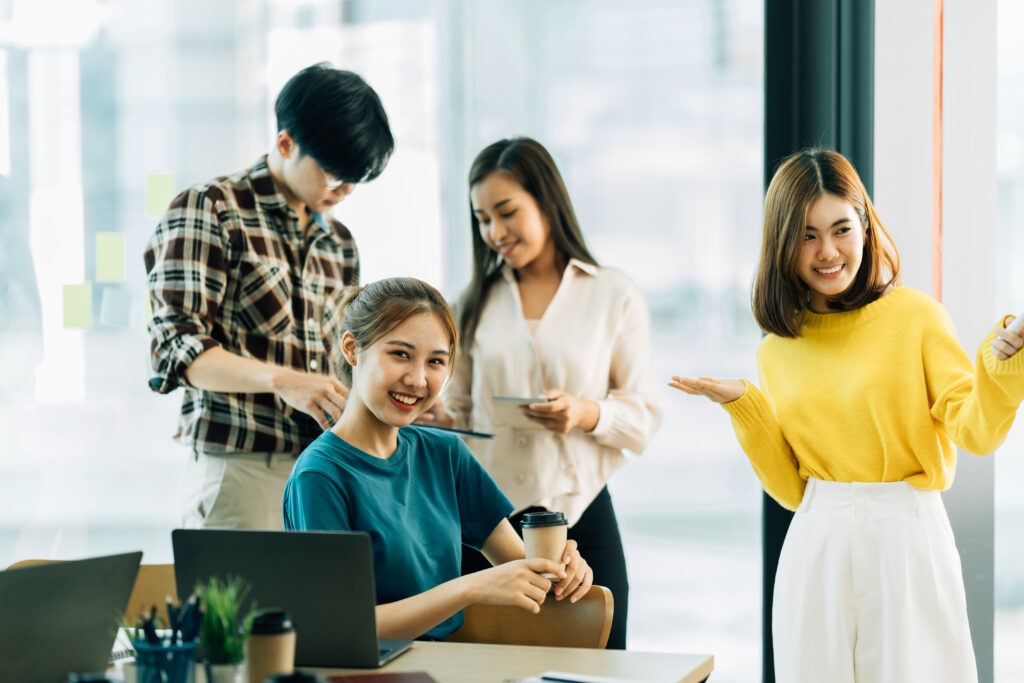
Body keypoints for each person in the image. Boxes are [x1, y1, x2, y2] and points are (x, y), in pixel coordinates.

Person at [670, 148, 1024, 683]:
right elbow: (793, 490)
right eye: (807, 235)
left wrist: (1001, 364)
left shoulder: (915, 317)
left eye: (841, 229)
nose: (828, 251)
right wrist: (743, 403)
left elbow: (974, 431)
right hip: (818, 545)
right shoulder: (778, 348)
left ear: (866, 226)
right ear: (782, 243)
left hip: (907, 538)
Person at [431, 137, 659, 650]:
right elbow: (460, 413)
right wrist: (434, 415)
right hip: (487, 523)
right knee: (485, 664)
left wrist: (585, 413)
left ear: (547, 200)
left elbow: (642, 416)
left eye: (506, 212)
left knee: (601, 660)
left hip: (580, 512)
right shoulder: (469, 303)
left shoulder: (612, 294)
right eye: (483, 218)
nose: (494, 232)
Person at [144, 63, 394, 530]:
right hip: (241, 469)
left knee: (328, 606)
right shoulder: (211, 208)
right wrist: (284, 381)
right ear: (285, 144)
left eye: (354, 181)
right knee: (237, 607)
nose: (345, 192)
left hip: (324, 470)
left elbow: (345, 358)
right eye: (335, 176)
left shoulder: (339, 242)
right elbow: (175, 350)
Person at [283, 277, 593, 640]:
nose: (418, 380)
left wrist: (564, 570)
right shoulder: (319, 476)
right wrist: (468, 588)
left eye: (435, 362)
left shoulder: (445, 453)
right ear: (352, 349)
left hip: (452, 663)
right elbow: (338, 626)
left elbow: (521, 568)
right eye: (400, 354)